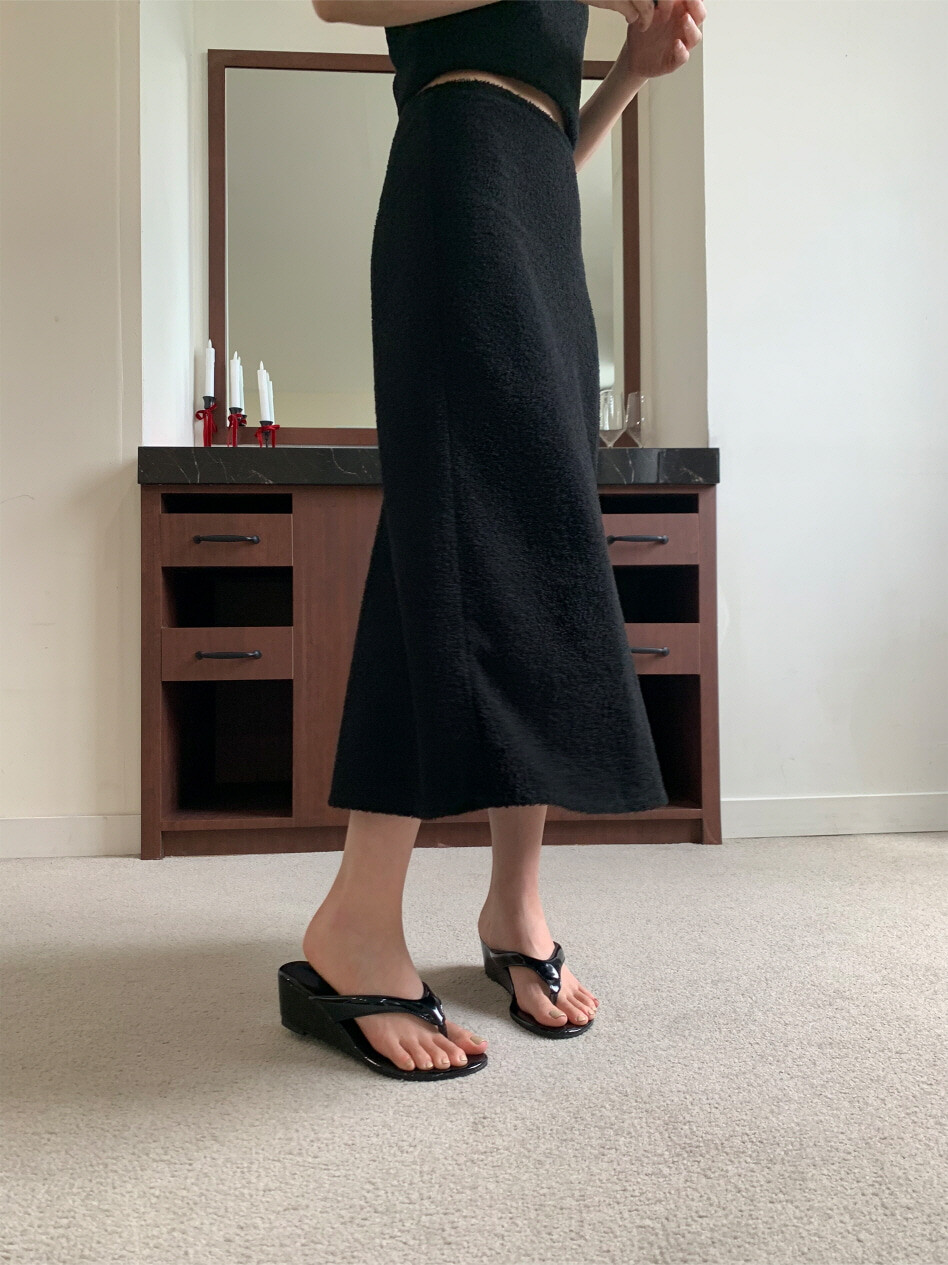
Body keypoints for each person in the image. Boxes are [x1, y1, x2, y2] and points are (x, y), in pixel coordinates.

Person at [278, 0, 705, 1080]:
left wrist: (628, 71)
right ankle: (357, 917)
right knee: (459, 527)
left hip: (536, 205)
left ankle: (515, 905)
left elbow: (550, 136)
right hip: (456, 176)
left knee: (539, 538)